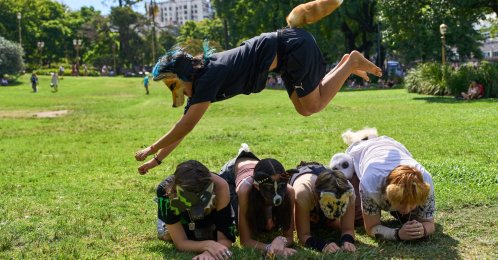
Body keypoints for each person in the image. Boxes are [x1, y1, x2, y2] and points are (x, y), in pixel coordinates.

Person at [135, 0, 382, 172]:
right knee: (305, 108)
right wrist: (156, 160)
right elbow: (182, 128)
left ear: (184, 75)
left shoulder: (208, 77)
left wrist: (151, 148)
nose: (175, 92)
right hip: (285, 56)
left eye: (173, 84)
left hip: (293, 48)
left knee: (311, 106)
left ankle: (350, 64)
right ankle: (346, 64)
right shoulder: (201, 82)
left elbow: (185, 126)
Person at [330, 128, 435, 242]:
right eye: (402, 203)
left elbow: (429, 223)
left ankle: (368, 137)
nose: (407, 209)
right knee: (356, 218)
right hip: (362, 153)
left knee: (412, 218)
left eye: (412, 204)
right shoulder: (370, 183)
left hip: (392, 147)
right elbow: (371, 228)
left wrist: (422, 229)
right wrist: (397, 234)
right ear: (387, 194)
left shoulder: (425, 182)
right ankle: (361, 141)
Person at [217, 144, 296, 258]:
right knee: (236, 221)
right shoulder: (245, 190)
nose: (276, 195)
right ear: (258, 187)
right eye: (269, 189)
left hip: (257, 166)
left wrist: (281, 240)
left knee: (269, 223)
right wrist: (269, 247)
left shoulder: (289, 191)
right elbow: (245, 241)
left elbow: (289, 236)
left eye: (280, 187)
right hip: (233, 172)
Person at [156, 160, 236, 260]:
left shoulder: (220, 186)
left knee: (208, 234)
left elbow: (225, 238)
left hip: (209, 216)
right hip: (178, 217)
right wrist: (209, 245)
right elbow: (180, 242)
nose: (195, 207)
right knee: (166, 234)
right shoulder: (164, 190)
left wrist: (209, 253)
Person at [290, 161, 356, 253]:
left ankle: (325, 219)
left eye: (340, 204)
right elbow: (303, 236)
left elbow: (348, 229)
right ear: (317, 196)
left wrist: (347, 241)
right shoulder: (304, 192)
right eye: (330, 205)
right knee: (293, 224)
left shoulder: (348, 192)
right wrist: (322, 246)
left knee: (337, 223)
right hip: (306, 191)